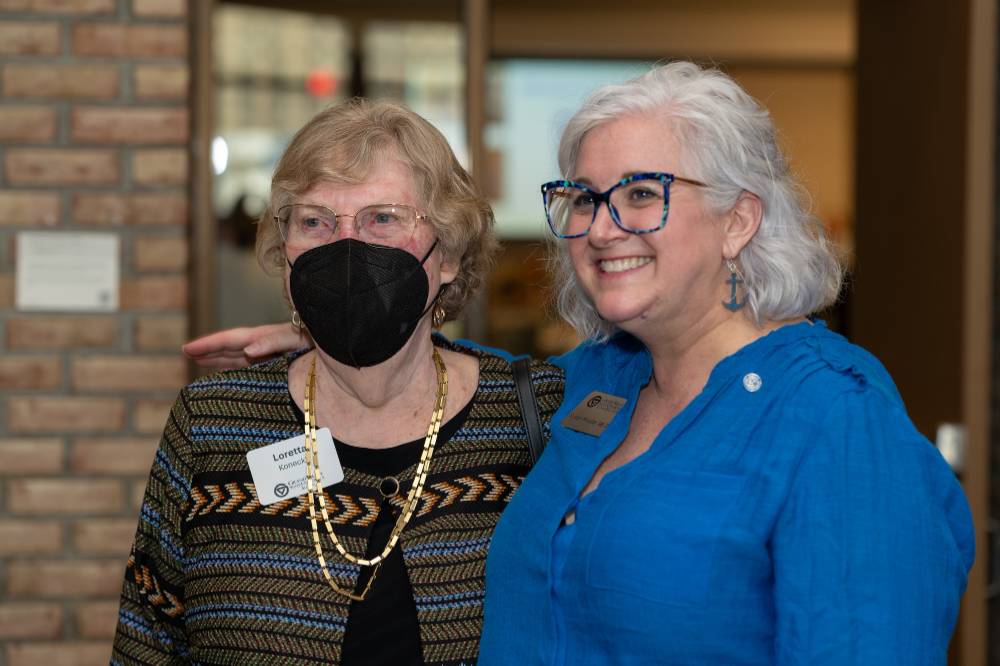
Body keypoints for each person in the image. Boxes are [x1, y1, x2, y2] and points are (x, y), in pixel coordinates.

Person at [186, 63, 975, 664]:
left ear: (739, 218)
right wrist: (342, 339)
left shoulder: (838, 425)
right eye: (585, 199)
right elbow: (457, 381)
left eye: (641, 195)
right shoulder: (603, 381)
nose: (602, 228)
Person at [111, 99, 565, 665]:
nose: (345, 248)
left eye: (383, 218)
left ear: (446, 253)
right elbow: (148, 639)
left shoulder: (535, 414)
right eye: (315, 222)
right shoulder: (211, 423)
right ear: (286, 250)